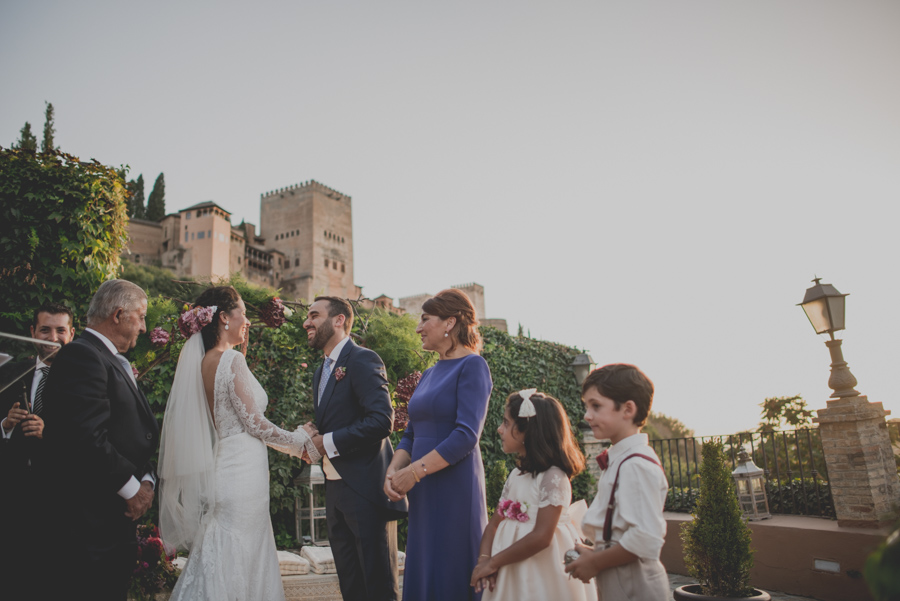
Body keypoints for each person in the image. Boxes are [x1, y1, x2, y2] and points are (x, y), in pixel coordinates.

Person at [160, 286, 320, 601]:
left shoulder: (204, 361)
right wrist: (301, 441)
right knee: (239, 550)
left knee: (225, 548)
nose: (247, 320)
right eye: (243, 313)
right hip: (242, 477)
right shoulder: (229, 359)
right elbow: (254, 423)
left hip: (229, 466)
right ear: (223, 318)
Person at [42, 280, 159, 601]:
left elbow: (129, 435)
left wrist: (147, 480)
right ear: (119, 314)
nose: (144, 327)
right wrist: (133, 490)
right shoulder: (82, 356)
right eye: (141, 316)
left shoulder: (106, 359)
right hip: (88, 531)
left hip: (108, 527)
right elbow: (86, 437)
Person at [384, 288, 493, 601]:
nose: (418, 328)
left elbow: (466, 435)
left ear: (450, 323)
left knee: (451, 568)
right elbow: (411, 432)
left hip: (454, 486)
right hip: (422, 488)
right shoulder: (429, 373)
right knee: (425, 566)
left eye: (424, 319)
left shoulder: (473, 367)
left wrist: (415, 472)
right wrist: (394, 468)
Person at [303, 296, 408, 601]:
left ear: (338, 320)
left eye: (314, 315)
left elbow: (381, 420)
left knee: (378, 588)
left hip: (365, 489)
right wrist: (314, 434)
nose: (307, 322)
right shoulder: (320, 370)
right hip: (334, 489)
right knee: (351, 588)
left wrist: (328, 441)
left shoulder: (363, 359)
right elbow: (341, 419)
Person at [471, 390, 597, 601]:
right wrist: (484, 560)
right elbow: (493, 524)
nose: (500, 429)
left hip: (541, 570)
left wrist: (494, 563)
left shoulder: (552, 477)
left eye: (506, 423)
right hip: (509, 566)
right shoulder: (516, 475)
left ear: (527, 431)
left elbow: (541, 537)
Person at [565, 364, 670, 600]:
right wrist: (594, 552)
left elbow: (645, 538)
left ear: (628, 409)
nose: (587, 415)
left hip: (636, 584)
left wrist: (596, 561)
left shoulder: (636, 465)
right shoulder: (620, 460)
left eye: (596, 406)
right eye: (586, 406)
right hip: (619, 579)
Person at [0, 302, 75, 600]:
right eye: (45, 329)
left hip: (61, 499)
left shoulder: (84, 379)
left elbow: (91, 437)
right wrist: (5, 425)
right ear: (32, 332)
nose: (52, 337)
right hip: (14, 498)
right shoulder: (11, 372)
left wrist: (50, 434)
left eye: (60, 330)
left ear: (72, 333)